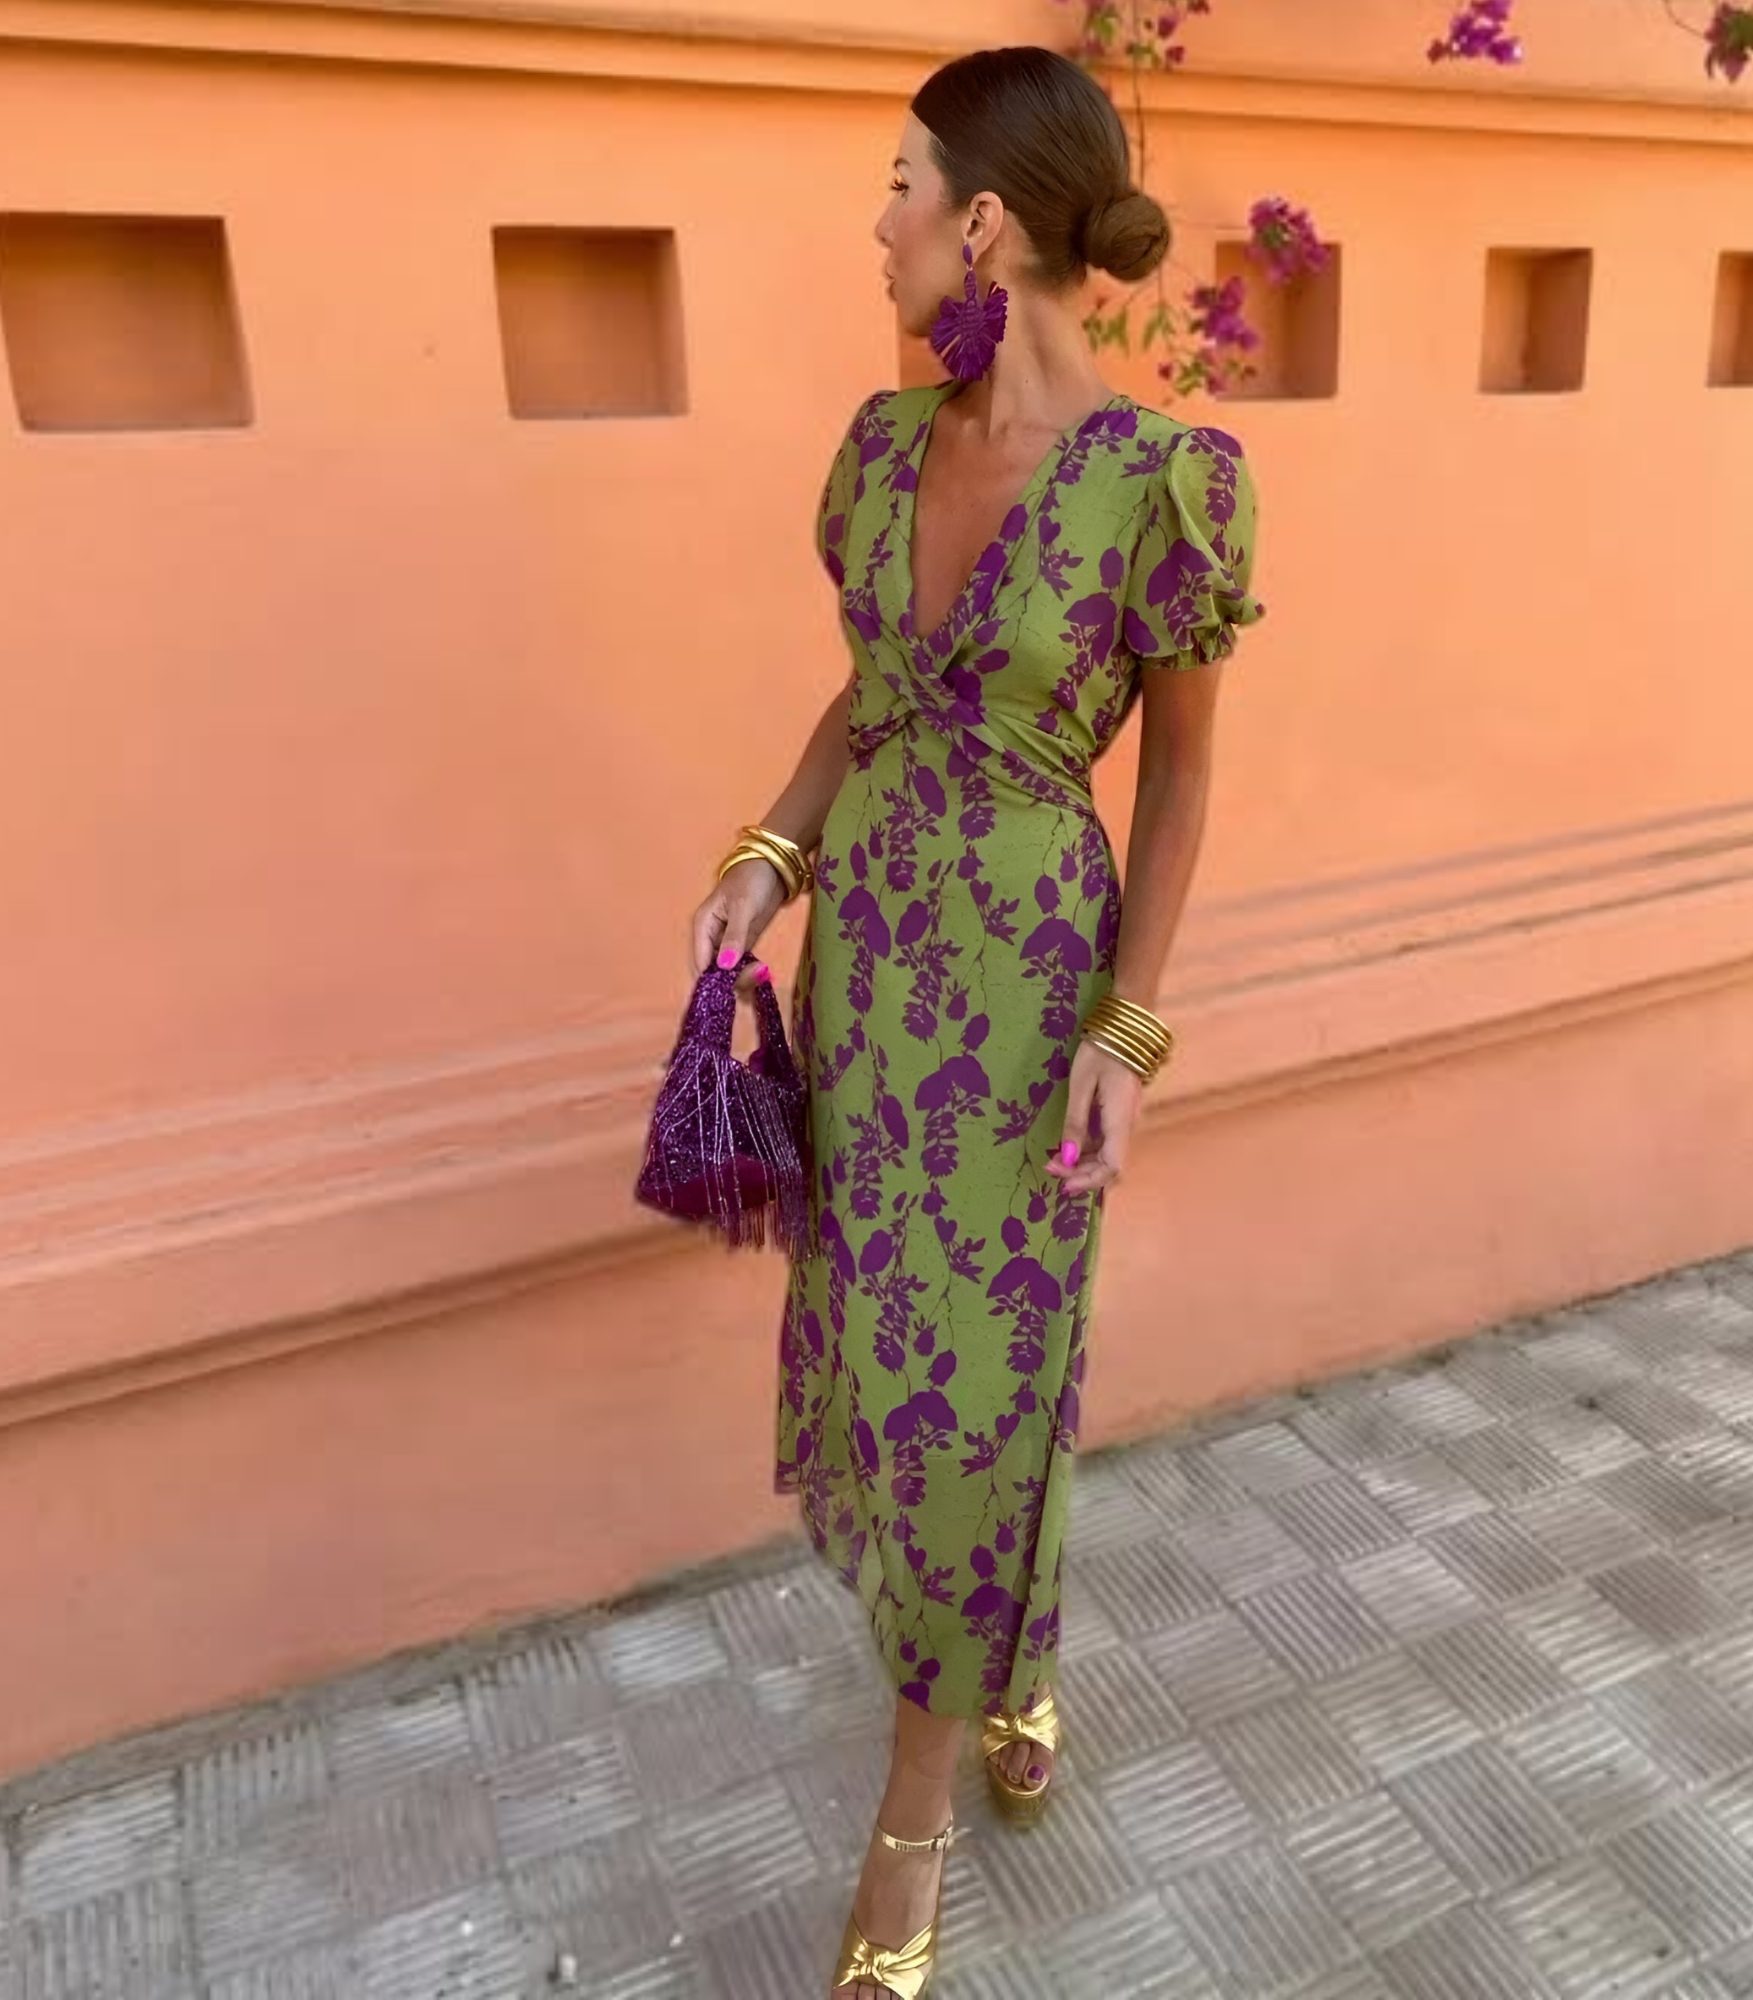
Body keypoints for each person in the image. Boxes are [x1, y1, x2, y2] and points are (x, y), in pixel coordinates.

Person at [687, 44, 1263, 1999]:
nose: (880, 225)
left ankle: (912, 1815)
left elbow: (1178, 779)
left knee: (977, 1387)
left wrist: (1128, 1033)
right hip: (864, 994)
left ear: (985, 223)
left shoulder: (1165, 484)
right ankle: (1017, 1662)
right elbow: (874, 697)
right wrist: (770, 854)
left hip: (1025, 1008)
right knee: (895, 1362)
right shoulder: (880, 448)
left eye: (900, 186)